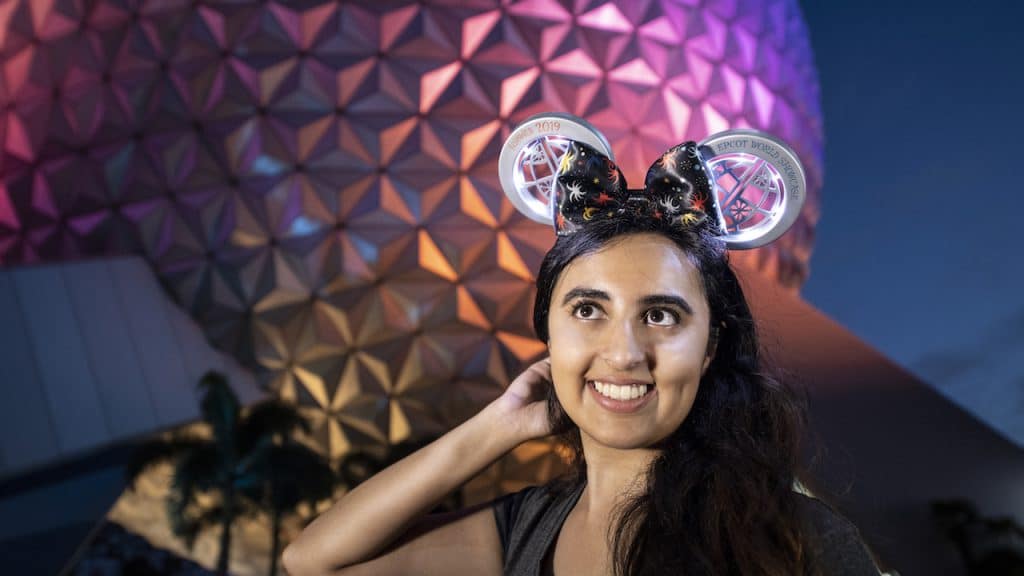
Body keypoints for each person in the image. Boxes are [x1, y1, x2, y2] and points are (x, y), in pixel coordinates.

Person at [283, 136, 882, 576]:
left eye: (660, 315)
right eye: (588, 311)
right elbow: (314, 561)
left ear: (710, 348)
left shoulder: (797, 541)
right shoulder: (524, 529)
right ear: (548, 332)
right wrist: (500, 425)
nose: (622, 353)